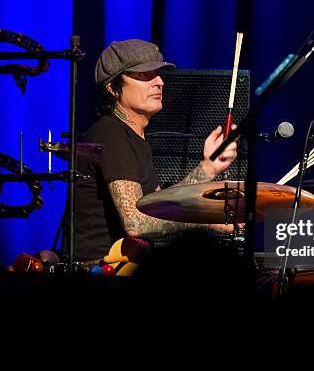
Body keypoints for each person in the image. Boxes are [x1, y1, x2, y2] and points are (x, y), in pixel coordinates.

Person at [74, 39, 238, 262]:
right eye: (144, 75)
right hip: (101, 272)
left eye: (158, 74)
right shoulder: (110, 134)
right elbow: (136, 224)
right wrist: (205, 219)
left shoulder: (132, 135)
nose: (160, 82)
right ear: (112, 88)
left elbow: (159, 206)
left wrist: (209, 166)